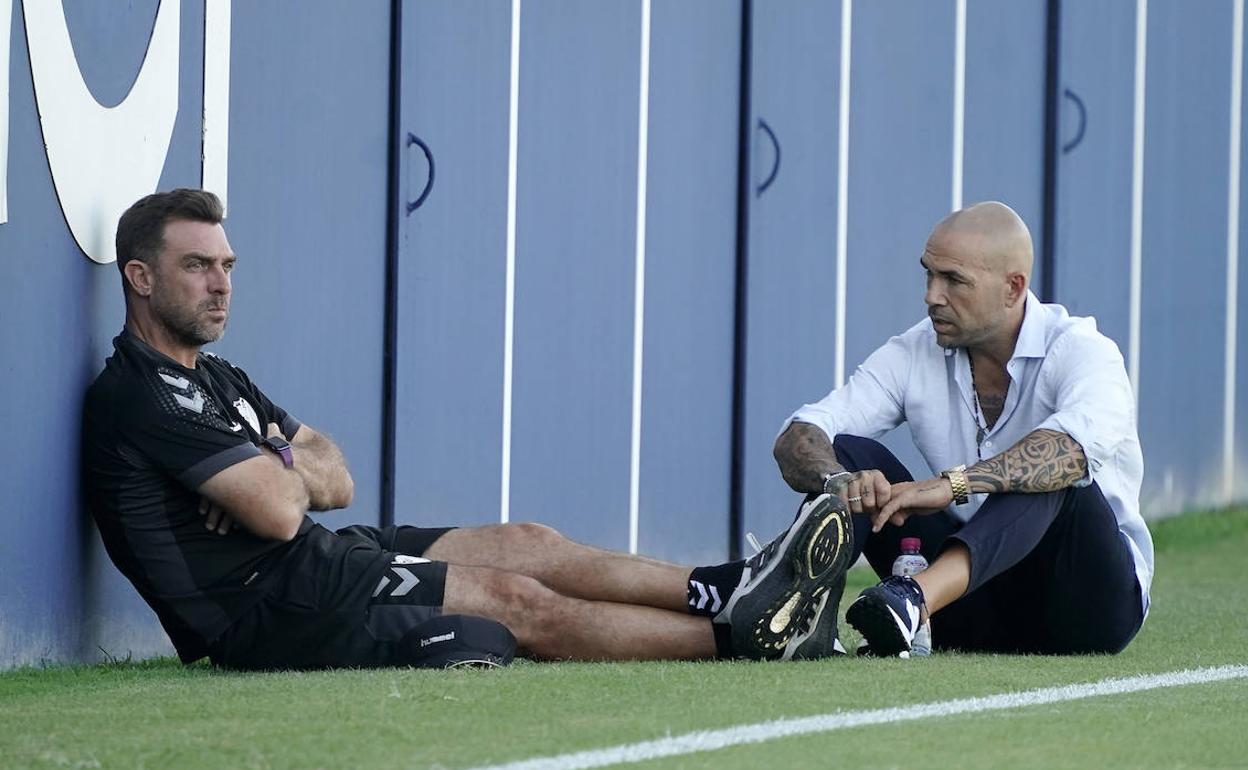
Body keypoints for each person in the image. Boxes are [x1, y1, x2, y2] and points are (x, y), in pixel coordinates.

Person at [81, 188, 855, 670]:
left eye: (228, 265)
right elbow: (285, 510)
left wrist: (268, 457)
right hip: (264, 610)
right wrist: (280, 472)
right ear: (139, 278)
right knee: (513, 598)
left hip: (314, 560)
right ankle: (743, 640)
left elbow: (334, 478)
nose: (221, 285)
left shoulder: (216, 376)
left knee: (529, 541)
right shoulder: (138, 394)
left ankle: (725, 590)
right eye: (197, 267)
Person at [773, 201, 1153, 656]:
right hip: (975, 605)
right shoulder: (917, 349)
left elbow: (1069, 452)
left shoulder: (1084, 351)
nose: (932, 295)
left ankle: (913, 599)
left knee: (1054, 471)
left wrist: (951, 485)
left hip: (1085, 608)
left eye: (953, 280)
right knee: (853, 456)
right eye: (929, 275)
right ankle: (791, 606)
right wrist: (843, 482)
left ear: (1013, 288)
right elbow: (801, 433)